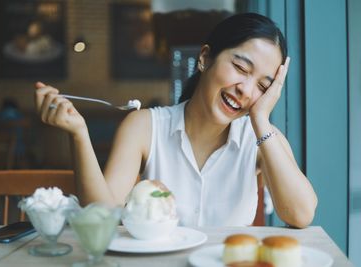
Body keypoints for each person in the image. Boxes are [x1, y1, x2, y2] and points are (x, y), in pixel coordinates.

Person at [34, 13, 317, 228]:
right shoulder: (144, 127)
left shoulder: (261, 138)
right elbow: (103, 218)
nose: (246, 90)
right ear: (205, 58)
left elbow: (301, 214)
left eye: (263, 87)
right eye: (241, 68)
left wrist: (261, 119)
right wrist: (79, 134)